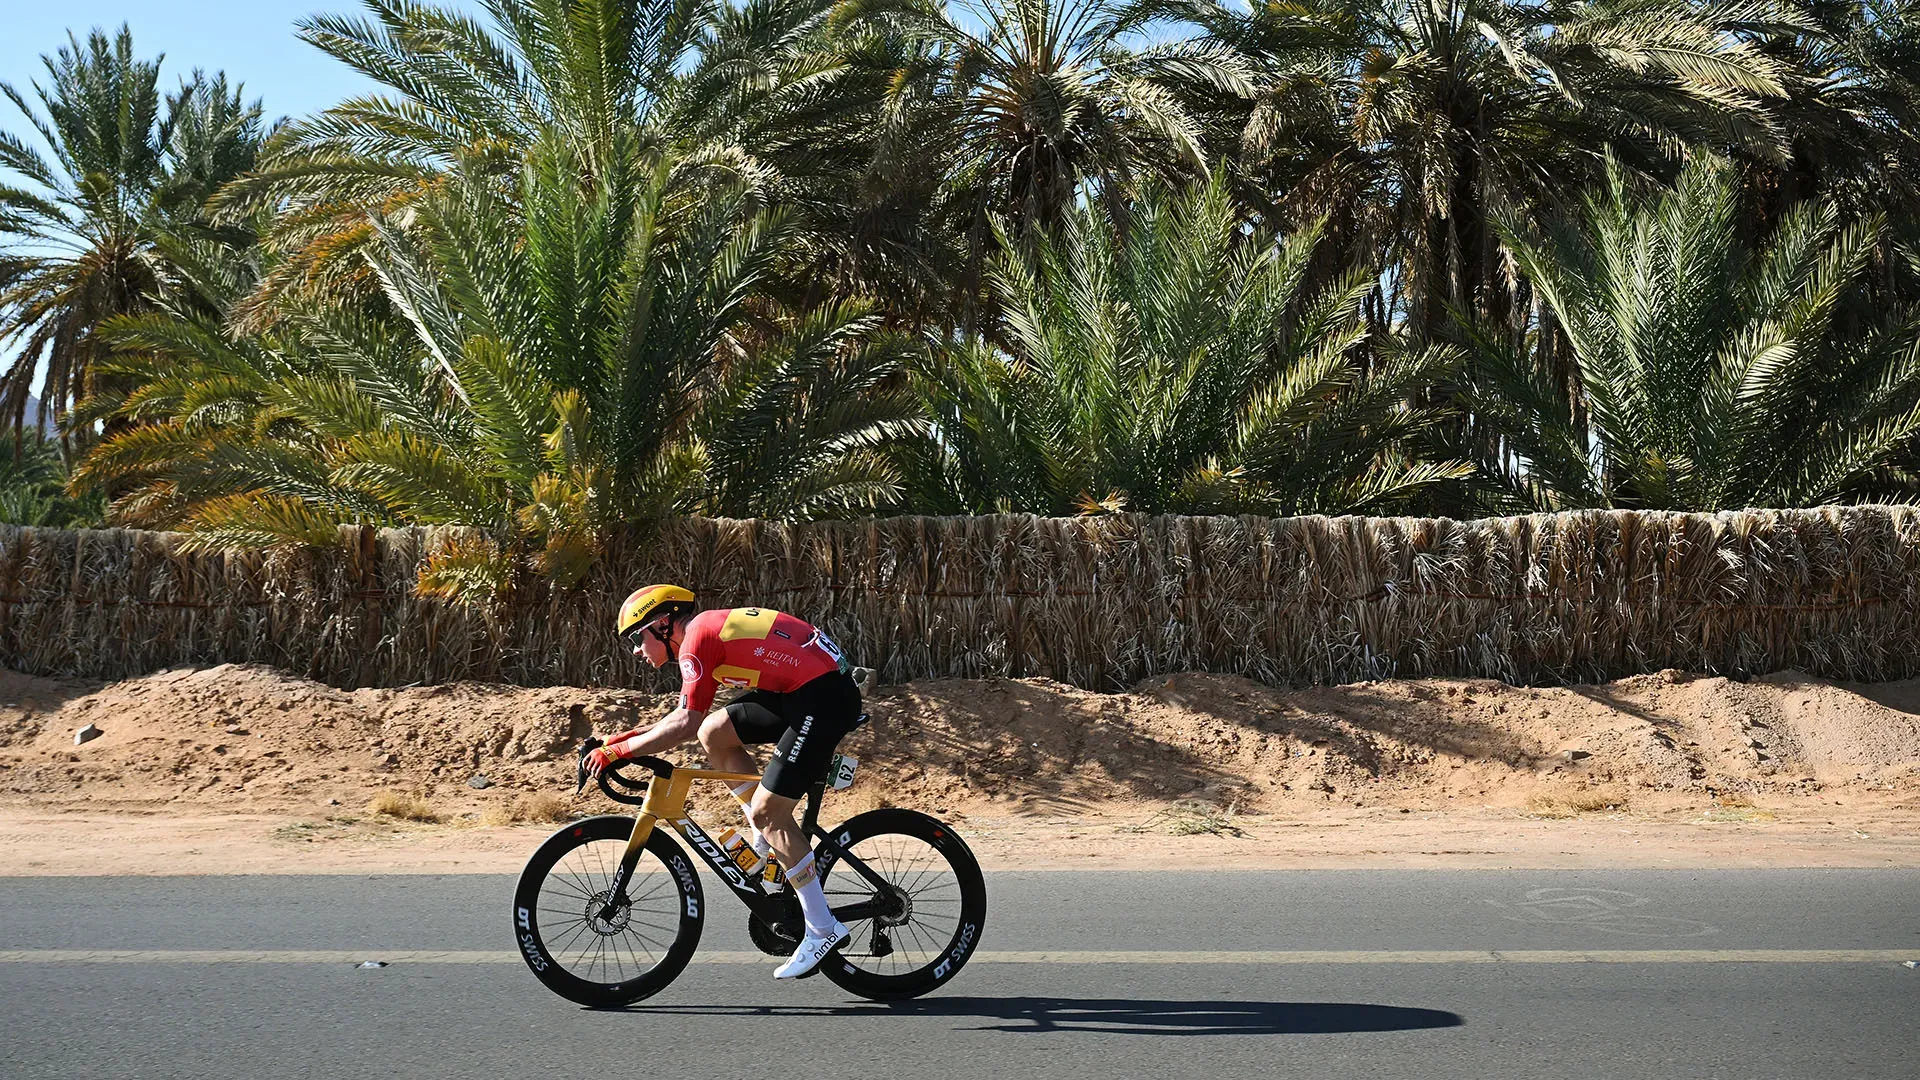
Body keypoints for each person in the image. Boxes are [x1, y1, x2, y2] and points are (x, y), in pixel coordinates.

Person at [582, 584, 864, 980]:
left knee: (772, 811)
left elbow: (683, 723)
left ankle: (822, 928)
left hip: (822, 697)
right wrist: (620, 741)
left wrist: (616, 754)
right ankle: (763, 831)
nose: (636, 649)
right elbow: (690, 718)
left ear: (662, 625)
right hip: (801, 689)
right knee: (716, 732)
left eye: (637, 636)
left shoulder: (697, 640)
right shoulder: (702, 635)